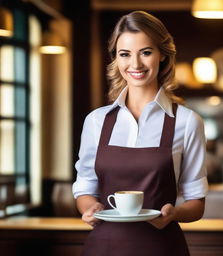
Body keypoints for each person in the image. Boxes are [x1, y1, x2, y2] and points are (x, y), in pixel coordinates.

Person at [72, 10, 208, 256]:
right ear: (117, 59)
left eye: (146, 52)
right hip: (104, 247)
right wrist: (91, 207)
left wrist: (174, 213)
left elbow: (196, 203)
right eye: (125, 54)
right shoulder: (96, 121)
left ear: (163, 56)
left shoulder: (187, 122)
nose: (135, 64)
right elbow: (84, 187)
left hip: (161, 247)